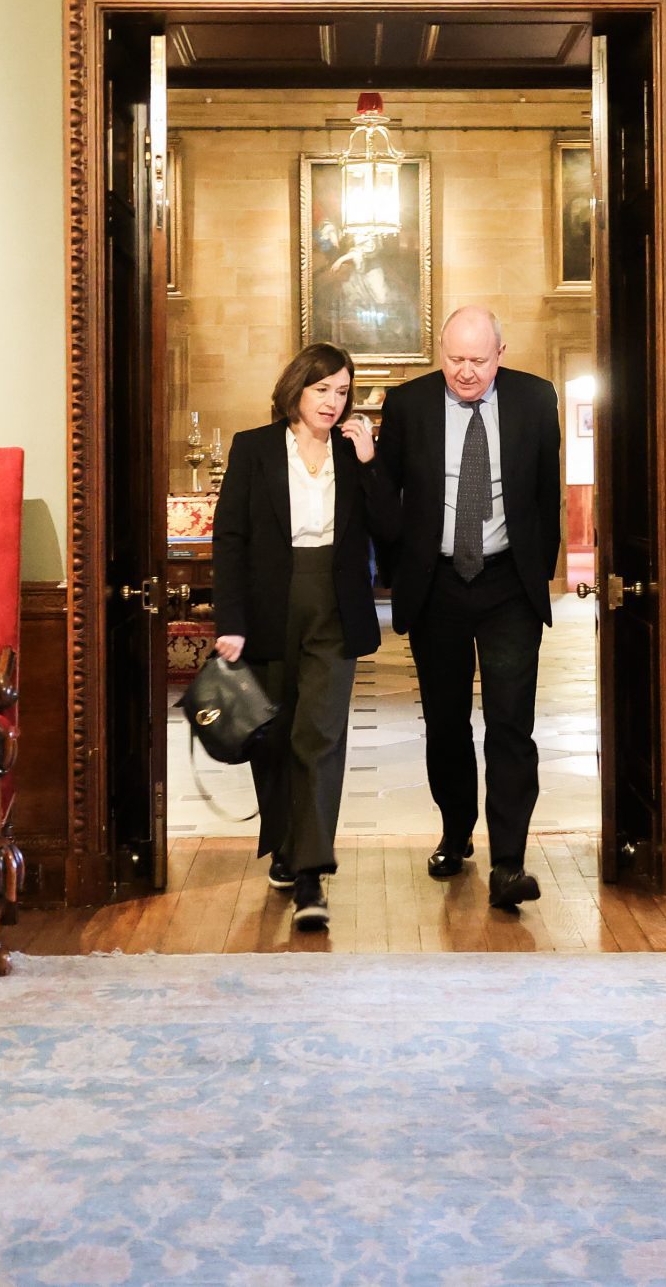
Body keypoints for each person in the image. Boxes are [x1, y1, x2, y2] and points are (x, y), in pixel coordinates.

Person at [374, 307, 564, 911]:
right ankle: (456, 834)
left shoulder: (535, 399)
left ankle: (509, 860)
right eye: (455, 359)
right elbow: (388, 497)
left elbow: (547, 494)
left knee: (511, 721)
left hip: (508, 583)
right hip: (438, 586)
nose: (465, 372)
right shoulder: (408, 405)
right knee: (447, 722)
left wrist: (537, 572)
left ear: (500, 354)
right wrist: (402, 571)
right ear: (441, 353)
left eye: (478, 360)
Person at [211, 343, 399, 932]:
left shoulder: (353, 452)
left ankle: (312, 874)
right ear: (295, 389)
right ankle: (285, 844)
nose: (333, 402)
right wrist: (230, 621)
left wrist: (370, 463)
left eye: (342, 392)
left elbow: (390, 531)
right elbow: (230, 538)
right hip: (269, 607)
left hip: (335, 608)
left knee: (319, 735)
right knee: (272, 737)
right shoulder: (254, 448)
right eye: (322, 389)